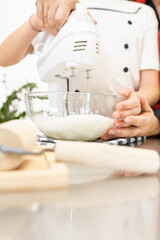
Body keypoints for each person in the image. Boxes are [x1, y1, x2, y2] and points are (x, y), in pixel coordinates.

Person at [0, 0, 159, 134]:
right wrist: (37, 20)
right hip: (61, 129)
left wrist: (136, 100)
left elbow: (151, 86)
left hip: (117, 128)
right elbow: (4, 57)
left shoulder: (142, 14)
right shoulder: (60, 7)